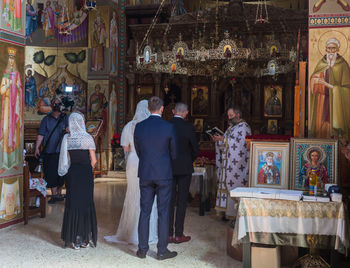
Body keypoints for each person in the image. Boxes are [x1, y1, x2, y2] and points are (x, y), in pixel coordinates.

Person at [104, 100, 158, 245]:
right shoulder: (151, 125)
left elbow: (126, 149)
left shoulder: (129, 126)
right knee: (149, 194)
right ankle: (147, 233)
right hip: (148, 161)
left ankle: (130, 232)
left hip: (133, 161)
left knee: (133, 194)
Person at [134, 96, 178, 260]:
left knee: (144, 211)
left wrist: (147, 161)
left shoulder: (139, 127)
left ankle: (142, 250)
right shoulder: (168, 127)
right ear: (161, 109)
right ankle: (161, 251)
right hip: (163, 175)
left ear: (148, 109)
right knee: (163, 212)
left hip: (145, 173)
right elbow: (174, 153)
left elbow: (138, 151)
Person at [58, 112, 97, 249]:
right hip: (85, 174)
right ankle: (85, 238)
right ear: (81, 123)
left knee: (73, 204)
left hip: (73, 174)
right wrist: (87, 169)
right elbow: (94, 161)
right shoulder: (88, 138)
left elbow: (65, 160)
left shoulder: (67, 138)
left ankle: (73, 238)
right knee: (85, 204)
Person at [212, 107, 251, 219]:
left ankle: (232, 214)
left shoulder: (244, 127)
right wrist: (218, 140)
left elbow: (241, 144)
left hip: (236, 165)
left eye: (231, 115)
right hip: (226, 163)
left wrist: (223, 139)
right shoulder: (231, 128)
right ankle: (224, 212)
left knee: (234, 184)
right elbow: (225, 140)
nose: (229, 118)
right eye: (228, 115)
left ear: (238, 115)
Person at [169, 103, 199, 244]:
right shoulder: (189, 127)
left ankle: (168, 234)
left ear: (173, 111)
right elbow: (195, 150)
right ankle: (178, 234)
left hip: (169, 167)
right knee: (181, 201)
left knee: (169, 200)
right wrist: (188, 160)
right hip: (185, 168)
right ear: (186, 112)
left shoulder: (166, 125)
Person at [310, 38, 350, 141]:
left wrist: (328, 85)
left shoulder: (343, 64)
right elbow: (313, 78)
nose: (331, 51)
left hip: (337, 103)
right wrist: (315, 79)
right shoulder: (322, 62)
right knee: (322, 126)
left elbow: (347, 89)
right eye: (328, 48)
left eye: (333, 48)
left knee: (334, 127)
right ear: (325, 49)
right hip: (322, 100)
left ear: (338, 49)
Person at [35, 98, 68, 204]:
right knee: (51, 173)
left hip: (63, 151)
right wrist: (37, 147)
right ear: (51, 105)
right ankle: (54, 195)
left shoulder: (65, 118)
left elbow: (71, 131)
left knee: (62, 173)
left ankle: (59, 193)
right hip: (50, 151)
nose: (57, 106)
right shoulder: (46, 119)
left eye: (59, 104)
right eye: (55, 104)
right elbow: (41, 134)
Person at [0, 47, 23, 174]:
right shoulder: (5, 74)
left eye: (13, 58)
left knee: (14, 133)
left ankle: (14, 163)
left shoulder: (18, 75)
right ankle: (4, 162)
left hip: (15, 108)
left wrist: (18, 89)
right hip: (7, 106)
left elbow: (20, 89)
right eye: (10, 59)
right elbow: (1, 91)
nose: (12, 61)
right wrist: (8, 85)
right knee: (5, 132)